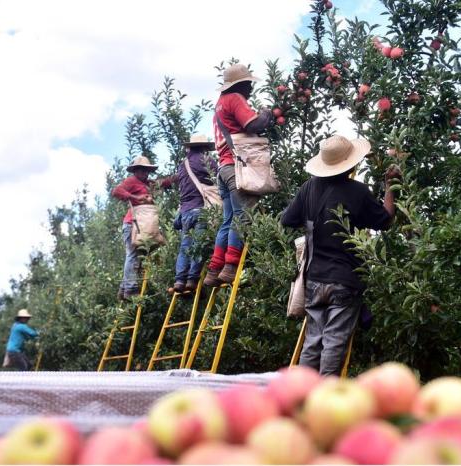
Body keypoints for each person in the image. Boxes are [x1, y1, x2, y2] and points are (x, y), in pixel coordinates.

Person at [280, 135, 400, 376]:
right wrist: (390, 187)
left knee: (313, 340)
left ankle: (303, 393)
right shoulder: (357, 191)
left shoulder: (308, 188)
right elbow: (385, 219)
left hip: (315, 278)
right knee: (334, 340)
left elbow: (287, 220)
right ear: (351, 164)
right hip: (345, 279)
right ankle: (326, 397)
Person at [203, 63, 274, 287]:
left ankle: (214, 270)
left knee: (228, 220)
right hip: (237, 168)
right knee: (242, 218)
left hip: (223, 169)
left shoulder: (219, 105)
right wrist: (268, 114)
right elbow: (254, 124)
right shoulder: (235, 99)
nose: (251, 89)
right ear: (241, 84)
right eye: (249, 84)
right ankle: (231, 266)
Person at [111, 155, 173, 300]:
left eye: (147, 170)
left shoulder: (148, 183)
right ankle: (131, 289)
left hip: (142, 225)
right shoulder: (131, 181)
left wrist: (177, 177)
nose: (145, 173)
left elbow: (163, 183)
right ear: (136, 171)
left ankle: (123, 288)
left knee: (140, 255)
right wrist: (135, 198)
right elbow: (116, 191)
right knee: (132, 255)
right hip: (132, 225)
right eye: (142, 170)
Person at [170, 135, 217, 294]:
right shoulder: (207, 161)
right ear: (204, 147)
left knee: (185, 246)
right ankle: (192, 279)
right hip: (201, 208)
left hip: (185, 212)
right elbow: (218, 178)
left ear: (190, 147)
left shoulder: (182, 165)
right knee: (199, 244)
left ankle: (179, 280)